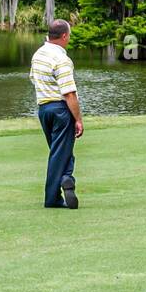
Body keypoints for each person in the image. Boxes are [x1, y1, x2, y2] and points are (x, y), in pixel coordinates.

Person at [29, 19, 84, 209]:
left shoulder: (38, 55)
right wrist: (78, 119)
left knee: (59, 151)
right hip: (61, 109)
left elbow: (33, 80)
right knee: (59, 153)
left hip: (44, 109)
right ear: (64, 36)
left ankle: (64, 181)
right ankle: (57, 190)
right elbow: (69, 92)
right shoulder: (62, 59)